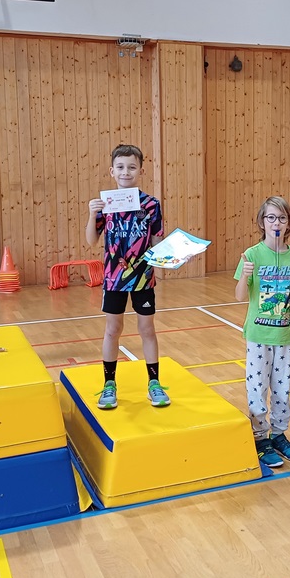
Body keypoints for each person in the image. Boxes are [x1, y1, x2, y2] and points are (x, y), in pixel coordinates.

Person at [86, 144, 168, 410]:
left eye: (132, 167)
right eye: (120, 167)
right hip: (113, 279)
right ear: (112, 171)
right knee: (113, 330)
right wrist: (92, 214)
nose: (126, 172)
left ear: (141, 170)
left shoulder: (151, 205)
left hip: (143, 278)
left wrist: (173, 254)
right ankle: (109, 385)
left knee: (147, 329)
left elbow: (157, 243)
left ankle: (154, 384)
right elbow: (91, 240)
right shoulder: (105, 205)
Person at [235, 196, 290, 468]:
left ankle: (278, 434)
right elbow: (240, 296)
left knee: (282, 389)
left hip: (285, 335)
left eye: (282, 218)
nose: (276, 223)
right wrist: (245, 274)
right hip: (258, 335)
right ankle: (260, 438)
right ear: (262, 222)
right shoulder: (252, 255)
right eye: (271, 218)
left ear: (289, 223)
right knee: (257, 388)